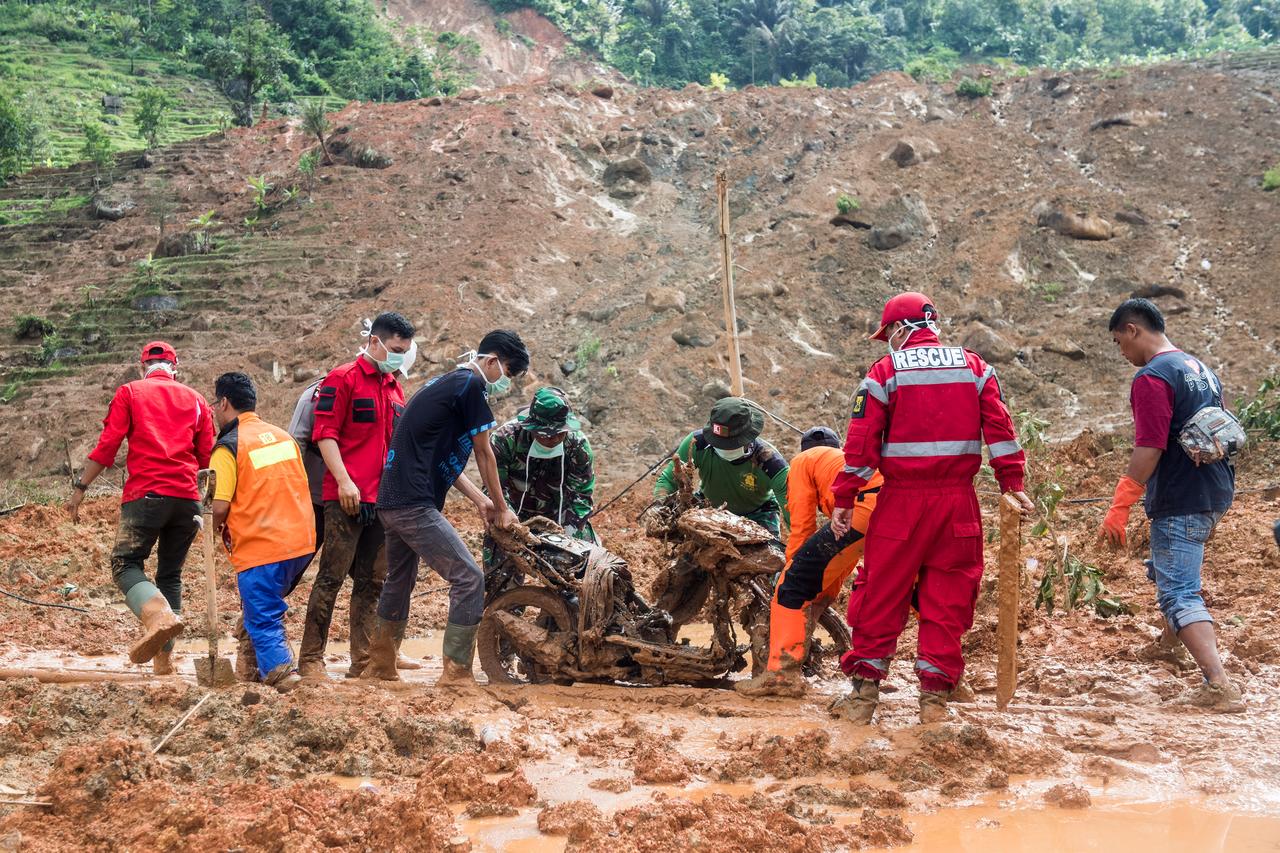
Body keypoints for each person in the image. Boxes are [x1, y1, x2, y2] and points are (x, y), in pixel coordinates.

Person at [828, 292, 1032, 725]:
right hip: (958, 504)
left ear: (900, 330)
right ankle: (934, 705)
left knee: (880, 593)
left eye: (889, 334)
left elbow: (861, 448)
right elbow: (1000, 430)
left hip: (901, 503)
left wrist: (845, 497)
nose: (889, 341)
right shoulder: (976, 368)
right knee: (949, 598)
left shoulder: (885, 373)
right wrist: (1012, 483)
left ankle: (863, 700)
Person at [1099, 298, 1242, 712]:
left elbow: (1149, 447)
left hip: (1181, 495)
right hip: (1214, 491)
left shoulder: (1152, 377)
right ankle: (1170, 645)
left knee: (1179, 590)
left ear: (1132, 330)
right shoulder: (1200, 369)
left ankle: (1219, 685)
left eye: (1118, 342)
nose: (1122, 353)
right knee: (1167, 567)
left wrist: (1121, 503)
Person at [365, 330, 530, 685]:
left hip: (392, 500)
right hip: (413, 503)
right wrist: (502, 508)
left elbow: (444, 462)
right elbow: (484, 452)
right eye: (508, 373)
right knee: (468, 577)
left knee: (399, 580)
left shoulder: (448, 383)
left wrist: (482, 500)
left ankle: (379, 666)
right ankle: (456, 673)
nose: (505, 383)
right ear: (491, 362)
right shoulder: (471, 386)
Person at [66, 342, 214, 674]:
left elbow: (108, 447)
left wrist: (80, 488)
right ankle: (164, 661)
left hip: (146, 495)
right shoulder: (198, 401)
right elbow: (207, 460)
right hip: (188, 498)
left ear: (141, 365)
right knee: (170, 575)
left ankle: (156, 616)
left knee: (125, 563)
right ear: (176, 367)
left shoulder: (131, 392)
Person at [298, 312, 415, 679]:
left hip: (381, 502)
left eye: (405, 351)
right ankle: (311, 659)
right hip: (345, 498)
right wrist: (345, 482)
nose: (398, 357)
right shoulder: (342, 378)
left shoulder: (395, 389)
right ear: (375, 342)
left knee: (372, 582)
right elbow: (324, 434)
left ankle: (362, 660)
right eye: (395, 349)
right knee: (330, 577)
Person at [736, 426, 883, 697]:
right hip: (899, 512)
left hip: (863, 510)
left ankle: (781, 677)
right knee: (914, 591)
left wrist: (792, 569)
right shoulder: (844, 460)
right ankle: (948, 681)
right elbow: (843, 556)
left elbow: (802, 525)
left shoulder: (803, 461)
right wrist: (823, 595)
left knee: (792, 586)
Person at [208, 373, 316, 693]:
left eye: (215, 404)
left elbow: (219, 507)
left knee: (263, 615)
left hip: (262, 545)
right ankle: (251, 664)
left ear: (224, 403)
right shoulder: (283, 437)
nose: (214, 411)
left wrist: (207, 525)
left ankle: (283, 676)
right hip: (300, 542)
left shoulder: (228, 447)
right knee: (261, 604)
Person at [654, 397, 790, 536]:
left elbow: (793, 510)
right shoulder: (696, 443)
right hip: (709, 507)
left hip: (758, 513)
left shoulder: (771, 463)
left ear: (748, 437)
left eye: (730, 446)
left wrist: (803, 549)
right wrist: (659, 507)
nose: (724, 449)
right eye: (718, 443)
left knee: (769, 554)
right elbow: (668, 480)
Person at [492, 386, 597, 542]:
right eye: (546, 435)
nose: (554, 439)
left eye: (560, 433)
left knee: (582, 553)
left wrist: (569, 533)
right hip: (512, 514)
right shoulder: (505, 440)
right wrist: (508, 518)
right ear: (531, 427)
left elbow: (581, 496)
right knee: (501, 557)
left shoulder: (578, 447)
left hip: (560, 517)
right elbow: (495, 486)